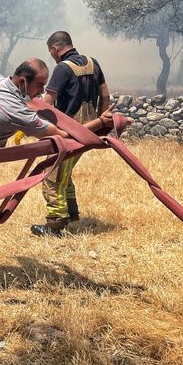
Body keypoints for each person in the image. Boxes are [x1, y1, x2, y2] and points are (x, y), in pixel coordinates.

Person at [0, 58, 114, 309]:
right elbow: (63, 136)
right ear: (22, 81)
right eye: (39, 86)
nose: (42, 93)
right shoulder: (16, 111)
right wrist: (100, 123)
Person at [31, 31, 111, 237]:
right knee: (64, 170)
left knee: (50, 175)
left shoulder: (62, 68)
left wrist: (31, 121)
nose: (53, 56)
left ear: (54, 49)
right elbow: (105, 95)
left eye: (52, 53)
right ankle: (72, 211)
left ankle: (55, 225)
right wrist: (101, 123)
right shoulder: (93, 63)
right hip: (90, 131)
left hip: (69, 133)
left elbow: (47, 102)